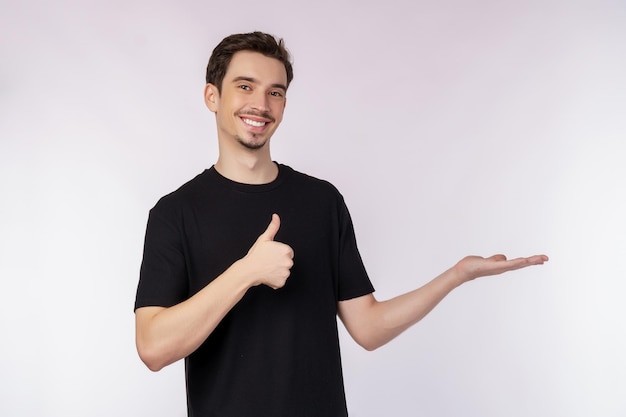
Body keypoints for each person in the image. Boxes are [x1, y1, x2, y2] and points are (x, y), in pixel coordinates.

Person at [134, 31, 548, 416]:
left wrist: (456, 275)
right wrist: (246, 272)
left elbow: (367, 327)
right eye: (245, 86)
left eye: (274, 92)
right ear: (212, 96)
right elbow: (153, 347)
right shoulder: (176, 213)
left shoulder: (321, 201)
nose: (261, 104)